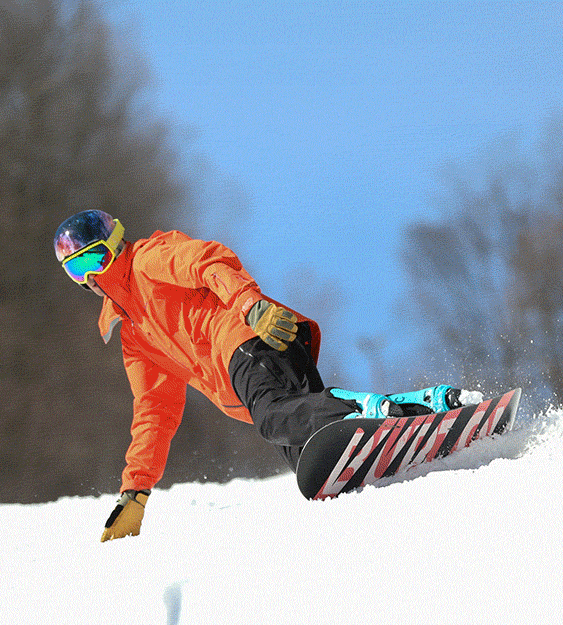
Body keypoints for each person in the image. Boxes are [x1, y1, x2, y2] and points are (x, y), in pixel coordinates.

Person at [54, 210, 479, 541]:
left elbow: (207, 261)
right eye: (77, 270)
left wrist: (249, 305)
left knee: (275, 418)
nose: (93, 276)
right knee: (317, 467)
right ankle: (426, 408)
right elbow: (153, 412)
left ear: (116, 245)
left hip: (247, 338)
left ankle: (362, 408)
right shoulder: (135, 336)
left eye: (96, 258)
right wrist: (136, 490)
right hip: (259, 369)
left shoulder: (149, 260)